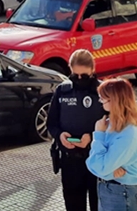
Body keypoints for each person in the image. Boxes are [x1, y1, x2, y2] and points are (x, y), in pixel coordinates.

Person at [48, 50, 106, 211]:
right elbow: (51, 123)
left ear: (92, 70)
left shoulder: (103, 91)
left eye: (84, 76)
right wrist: (60, 136)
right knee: (73, 205)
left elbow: (115, 126)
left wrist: (93, 137)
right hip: (70, 160)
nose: (80, 80)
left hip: (97, 160)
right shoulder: (63, 90)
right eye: (75, 75)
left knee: (99, 205)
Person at [86, 79, 137, 211]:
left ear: (114, 101)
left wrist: (98, 134)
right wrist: (109, 173)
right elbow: (97, 165)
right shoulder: (112, 125)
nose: (101, 103)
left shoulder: (128, 134)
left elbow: (100, 166)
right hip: (112, 190)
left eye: (103, 99)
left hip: (123, 193)